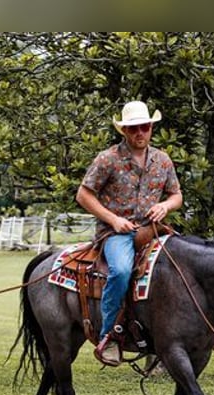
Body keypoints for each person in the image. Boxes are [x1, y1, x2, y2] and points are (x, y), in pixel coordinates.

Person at [75, 100, 183, 367]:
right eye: (133, 128)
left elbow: (176, 195)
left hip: (154, 230)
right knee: (121, 271)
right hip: (117, 234)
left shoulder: (162, 160)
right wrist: (114, 220)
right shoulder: (108, 159)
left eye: (144, 127)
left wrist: (165, 206)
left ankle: (181, 332)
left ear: (151, 128)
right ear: (124, 131)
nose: (140, 133)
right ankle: (108, 336)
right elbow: (83, 194)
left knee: (184, 268)